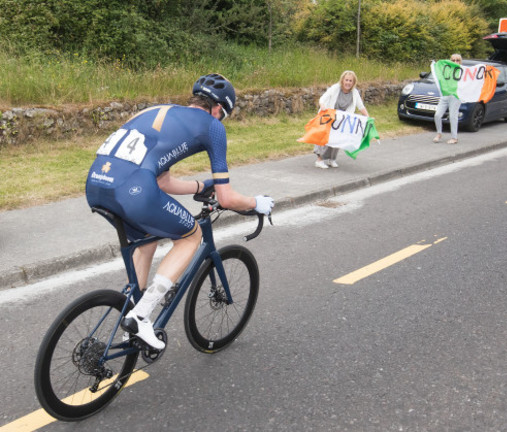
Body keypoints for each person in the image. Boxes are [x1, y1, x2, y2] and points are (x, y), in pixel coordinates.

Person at [86, 74, 274, 350]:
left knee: (147, 239)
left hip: (96, 184)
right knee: (190, 237)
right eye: (222, 116)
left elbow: (162, 181)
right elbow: (226, 197)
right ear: (219, 109)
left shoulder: (161, 111)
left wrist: (200, 185)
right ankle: (140, 316)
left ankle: (132, 310)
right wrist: (255, 203)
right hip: (134, 190)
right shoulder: (212, 126)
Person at [314, 70, 369, 169]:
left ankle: (332, 159)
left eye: (350, 81)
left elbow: (361, 106)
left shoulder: (354, 93)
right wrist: (322, 106)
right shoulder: (335, 88)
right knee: (325, 138)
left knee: (338, 139)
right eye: (346, 80)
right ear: (342, 80)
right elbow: (323, 98)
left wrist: (368, 117)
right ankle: (320, 160)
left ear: (353, 82)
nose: (348, 82)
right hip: (329, 116)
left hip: (341, 120)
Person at [433, 54, 462, 145]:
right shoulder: (446, 69)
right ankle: (439, 133)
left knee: (453, 116)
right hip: (445, 95)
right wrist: (435, 64)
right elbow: (439, 74)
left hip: (455, 96)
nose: (455, 62)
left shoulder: (461, 71)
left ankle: (454, 138)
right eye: (453, 60)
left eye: (457, 60)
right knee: (437, 115)